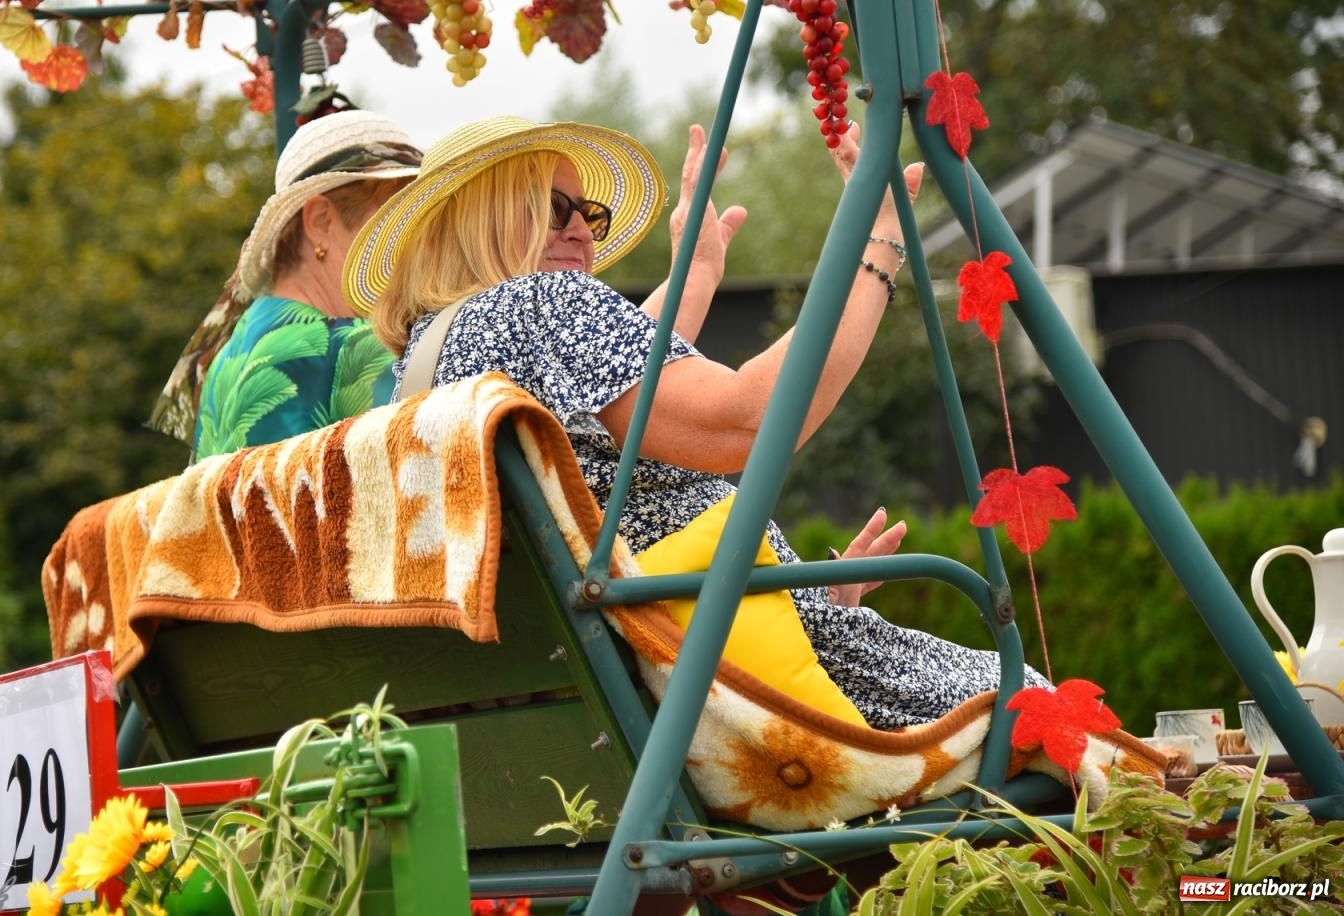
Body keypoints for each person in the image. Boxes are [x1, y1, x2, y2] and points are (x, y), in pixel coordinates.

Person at [344, 115, 1049, 730]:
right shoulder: (542, 305)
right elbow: (751, 422)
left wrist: (697, 272)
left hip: (615, 691)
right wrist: (879, 241)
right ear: (483, 217)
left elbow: (607, 412)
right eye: (554, 208)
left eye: (586, 214)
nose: (580, 234)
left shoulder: (427, 364)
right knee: (1050, 711)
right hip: (730, 693)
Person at [150, 110, 421, 461]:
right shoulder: (351, 348)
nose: (416, 242)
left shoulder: (230, 349)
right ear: (321, 221)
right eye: (395, 220)